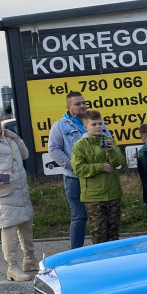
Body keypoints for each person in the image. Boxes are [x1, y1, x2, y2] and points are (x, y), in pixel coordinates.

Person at [0, 107, 36, 281]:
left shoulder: (7, 137)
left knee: (26, 224)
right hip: (3, 191)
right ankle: (12, 266)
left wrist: (15, 138)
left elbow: (25, 155)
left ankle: (30, 260)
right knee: (9, 228)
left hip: (20, 188)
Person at [71, 110, 124, 244]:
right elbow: (78, 168)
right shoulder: (80, 145)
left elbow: (119, 162)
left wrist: (111, 151)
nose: (98, 126)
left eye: (100, 123)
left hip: (112, 193)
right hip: (93, 196)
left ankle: (115, 261)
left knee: (114, 233)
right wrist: (101, 167)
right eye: (94, 124)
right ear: (86, 127)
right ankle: (99, 262)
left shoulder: (109, 141)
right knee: (98, 233)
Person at [47, 91, 93, 249]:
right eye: (77, 104)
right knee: (79, 217)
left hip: (95, 177)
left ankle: (100, 251)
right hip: (74, 177)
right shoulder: (60, 126)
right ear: (68, 107)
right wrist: (72, 165)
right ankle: (75, 253)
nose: (82, 106)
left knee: (98, 216)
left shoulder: (94, 121)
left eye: (84, 103)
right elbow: (53, 149)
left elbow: (108, 139)